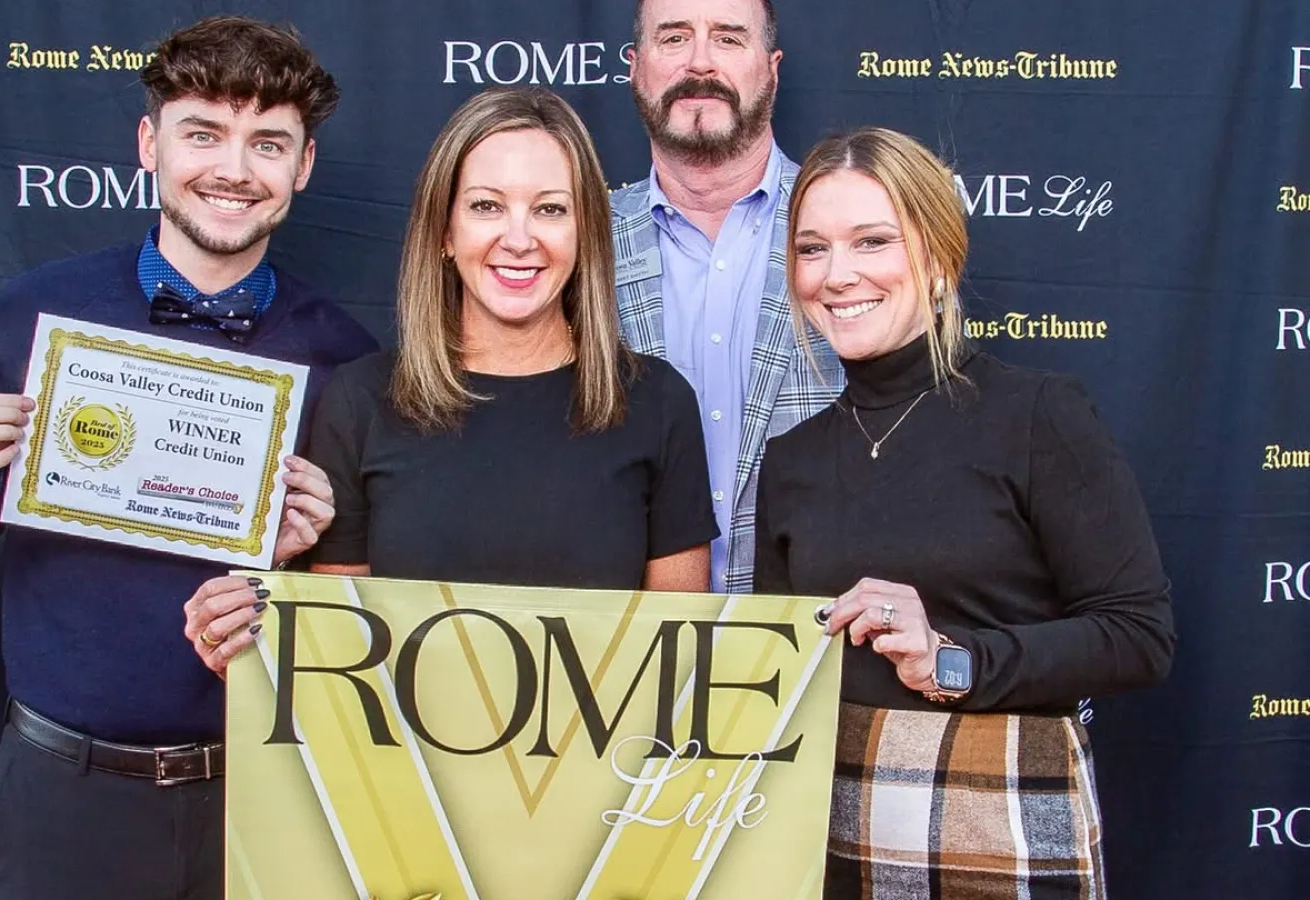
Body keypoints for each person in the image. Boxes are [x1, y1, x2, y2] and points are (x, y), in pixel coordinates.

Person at [0, 16, 377, 900]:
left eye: (268, 143)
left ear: (301, 167)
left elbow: (367, 604)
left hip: (267, 789)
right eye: (204, 133)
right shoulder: (36, 313)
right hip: (65, 799)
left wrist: (307, 559)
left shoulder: (343, 355)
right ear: (149, 144)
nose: (234, 169)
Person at [753, 127, 1176, 897]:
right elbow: (782, 679)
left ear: (940, 258)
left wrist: (955, 659)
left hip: (1001, 827)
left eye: (872, 241)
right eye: (811, 249)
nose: (837, 274)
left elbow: (1140, 638)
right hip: (831, 840)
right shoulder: (792, 460)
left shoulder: (1040, 416)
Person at [295, 87, 717, 591]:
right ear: (445, 233)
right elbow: (337, 647)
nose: (519, 240)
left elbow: (677, 651)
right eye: (486, 206)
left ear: (586, 233)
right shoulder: (358, 401)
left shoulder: (658, 401)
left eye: (550, 210)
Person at [612, 0, 842, 595]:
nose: (700, 62)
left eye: (729, 39)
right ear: (636, 67)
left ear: (772, 68)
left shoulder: (858, 237)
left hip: (820, 647)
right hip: (623, 650)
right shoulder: (577, 244)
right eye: (674, 37)